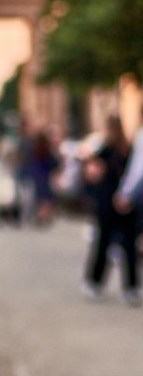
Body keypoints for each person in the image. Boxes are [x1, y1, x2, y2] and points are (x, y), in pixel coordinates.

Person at [82, 116, 139, 303]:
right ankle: (131, 286)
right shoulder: (128, 149)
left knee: (103, 244)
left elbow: (92, 170)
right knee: (128, 246)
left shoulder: (108, 149)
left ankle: (95, 282)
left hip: (110, 202)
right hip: (125, 203)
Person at [27, 130, 60, 224]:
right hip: (45, 176)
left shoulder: (35, 149)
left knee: (39, 197)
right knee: (47, 197)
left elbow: (30, 163)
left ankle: (40, 214)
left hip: (37, 176)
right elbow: (54, 163)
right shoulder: (47, 150)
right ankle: (44, 214)